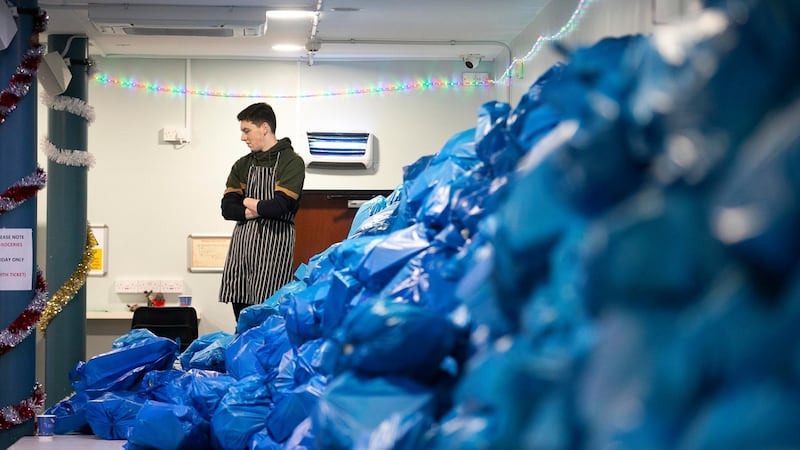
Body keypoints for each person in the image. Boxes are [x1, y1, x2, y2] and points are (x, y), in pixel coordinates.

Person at [219, 102, 305, 322]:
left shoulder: (291, 162)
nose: (242, 137)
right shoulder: (242, 164)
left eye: (246, 130)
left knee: (270, 316)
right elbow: (227, 208)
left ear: (264, 128)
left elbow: (280, 206)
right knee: (242, 316)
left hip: (275, 248)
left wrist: (245, 200)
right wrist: (259, 207)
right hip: (242, 248)